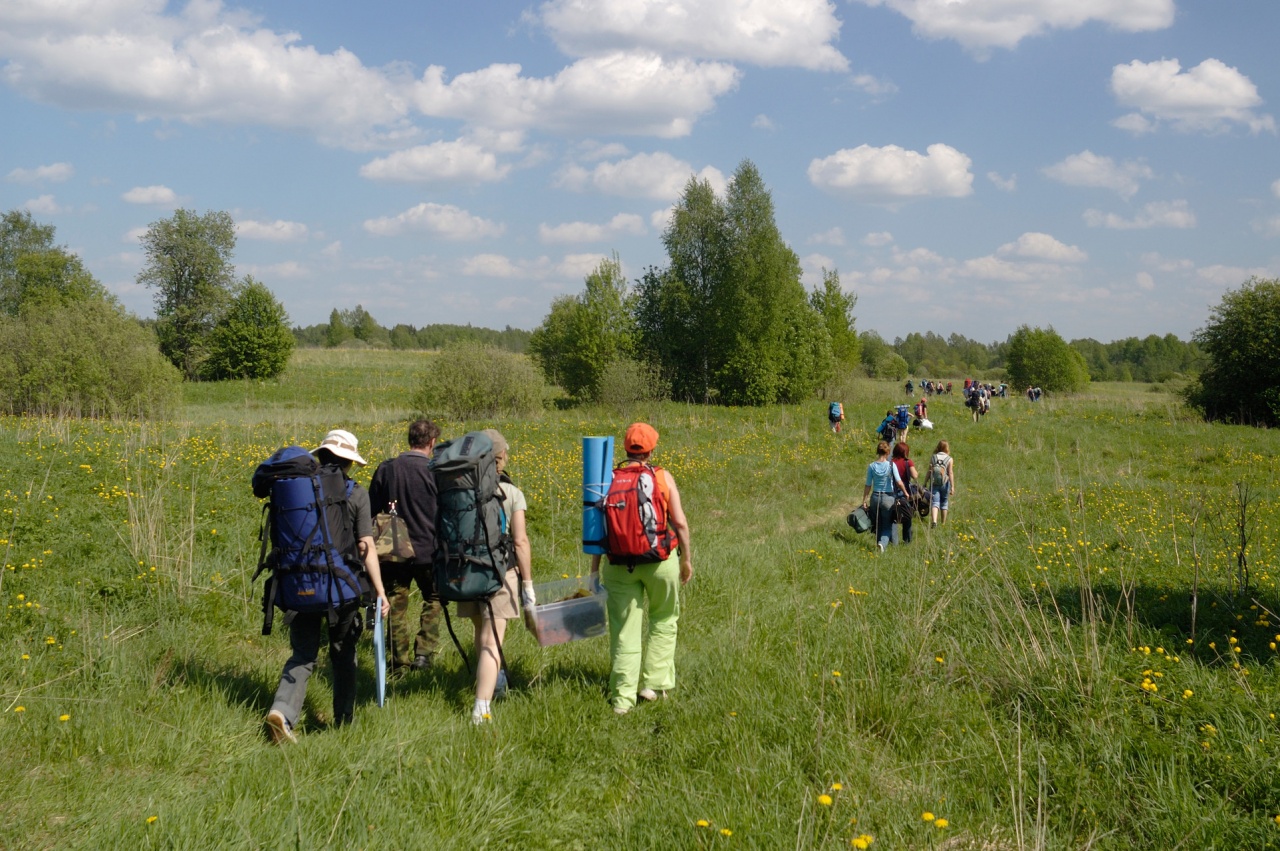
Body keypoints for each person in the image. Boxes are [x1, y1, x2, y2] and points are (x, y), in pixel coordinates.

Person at [266, 429, 390, 744]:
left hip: (300, 582)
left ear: (320, 455)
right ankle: (344, 722)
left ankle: (282, 711)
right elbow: (366, 546)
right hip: (342, 588)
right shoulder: (356, 493)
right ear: (349, 462)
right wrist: (379, 590)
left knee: (303, 653)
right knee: (343, 652)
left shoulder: (296, 490)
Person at [590, 422, 693, 716]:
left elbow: (598, 531)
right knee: (663, 618)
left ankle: (622, 699)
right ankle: (654, 685)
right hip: (660, 562)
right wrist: (686, 559)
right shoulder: (661, 477)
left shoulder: (606, 478)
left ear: (624, 448)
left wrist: (594, 570)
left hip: (618, 565)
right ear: (651, 450)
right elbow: (681, 523)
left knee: (624, 631)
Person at [457, 429, 534, 724]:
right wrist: (527, 584)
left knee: (480, 633)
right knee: (492, 640)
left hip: (465, 571)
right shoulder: (511, 493)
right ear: (500, 458)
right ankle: (481, 708)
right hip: (500, 573)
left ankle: (494, 682)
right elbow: (520, 542)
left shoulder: (460, 490)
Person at [368, 418, 442, 679]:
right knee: (435, 597)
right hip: (429, 551)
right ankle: (423, 653)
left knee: (396, 604)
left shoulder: (387, 469)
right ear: (432, 442)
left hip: (393, 550)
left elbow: (371, 510)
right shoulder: (436, 471)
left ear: (410, 440)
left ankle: (398, 663)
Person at [860, 440, 909, 553]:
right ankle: (882, 544)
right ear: (888, 453)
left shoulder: (871, 466)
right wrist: (905, 493)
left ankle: (878, 545)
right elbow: (899, 482)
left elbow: (868, 485)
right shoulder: (891, 465)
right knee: (887, 525)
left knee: (878, 524)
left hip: (875, 497)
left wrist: (864, 500)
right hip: (888, 498)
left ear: (878, 452)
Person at [890, 442, 918, 544]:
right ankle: (907, 540)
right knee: (907, 514)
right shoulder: (908, 462)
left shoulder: (891, 462)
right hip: (905, 491)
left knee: (893, 516)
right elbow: (915, 475)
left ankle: (893, 541)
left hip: (892, 491)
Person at [927, 439, 956, 528]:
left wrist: (925, 482)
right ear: (947, 448)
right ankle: (943, 523)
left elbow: (929, 471)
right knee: (944, 502)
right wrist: (952, 486)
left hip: (934, 482)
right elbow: (950, 472)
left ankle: (934, 521)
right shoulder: (949, 459)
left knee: (935, 502)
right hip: (945, 483)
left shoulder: (933, 457)